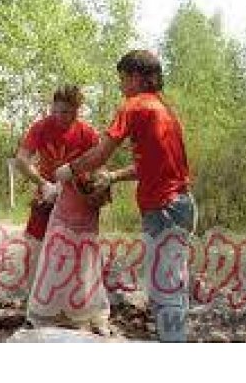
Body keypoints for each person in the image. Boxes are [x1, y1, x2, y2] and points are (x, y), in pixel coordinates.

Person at [54, 50, 196, 342]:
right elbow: (153, 165)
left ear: (135, 77)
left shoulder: (134, 105)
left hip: (164, 208)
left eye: (122, 79)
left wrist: (69, 169)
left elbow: (100, 153)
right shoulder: (165, 110)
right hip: (182, 205)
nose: (120, 86)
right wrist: (114, 176)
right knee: (170, 286)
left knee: (165, 290)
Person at [15, 85, 100, 243]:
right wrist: (43, 184)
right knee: (35, 245)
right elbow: (21, 160)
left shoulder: (88, 133)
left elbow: (98, 166)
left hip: (77, 201)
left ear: (77, 110)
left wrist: (95, 192)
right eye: (55, 111)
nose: (59, 116)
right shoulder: (40, 128)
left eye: (66, 112)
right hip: (46, 197)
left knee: (76, 248)